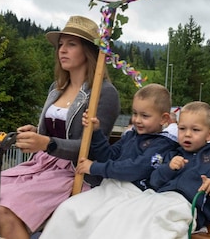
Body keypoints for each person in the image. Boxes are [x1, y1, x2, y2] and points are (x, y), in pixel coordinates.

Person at [0, 15, 120, 238]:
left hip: (74, 172)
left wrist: (46, 143)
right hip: (40, 166)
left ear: (89, 51)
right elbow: (46, 135)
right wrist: (36, 135)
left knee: (9, 209)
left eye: (71, 44)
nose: (62, 50)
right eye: (60, 45)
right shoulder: (56, 88)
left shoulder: (104, 92)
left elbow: (91, 148)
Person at [40, 83, 179, 238]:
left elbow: (133, 170)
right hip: (111, 188)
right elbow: (109, 156)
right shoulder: (131, 136)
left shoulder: (162, 145)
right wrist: (96, 132)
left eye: (145, 116)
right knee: (69, 209)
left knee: (105, 223)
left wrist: (94, 168)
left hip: (134, 194)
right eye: (135, 113)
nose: (137, 120)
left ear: (164, 118)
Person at [150, 101, 210, 234]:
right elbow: (154, 181)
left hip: (190, 209)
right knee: (138, 211)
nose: (187, 134)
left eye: (195, 130)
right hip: (162, 201)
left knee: (161, 222)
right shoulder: (173, 153)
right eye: (182, 128)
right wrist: (168, 168)